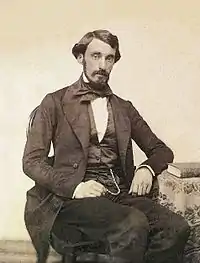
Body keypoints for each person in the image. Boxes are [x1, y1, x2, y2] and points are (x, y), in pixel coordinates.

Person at [23, 29, 190, 263]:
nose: (102, 64)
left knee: (176, 228)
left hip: (118, 195)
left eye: (109, 58)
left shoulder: (124, 108)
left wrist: (147, 169)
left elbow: (161, 150)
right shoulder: (54, 102)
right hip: (69, 202)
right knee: (133, 223)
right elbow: (31, 162)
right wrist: (75, 187)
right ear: (81, 57)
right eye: (95, 56)